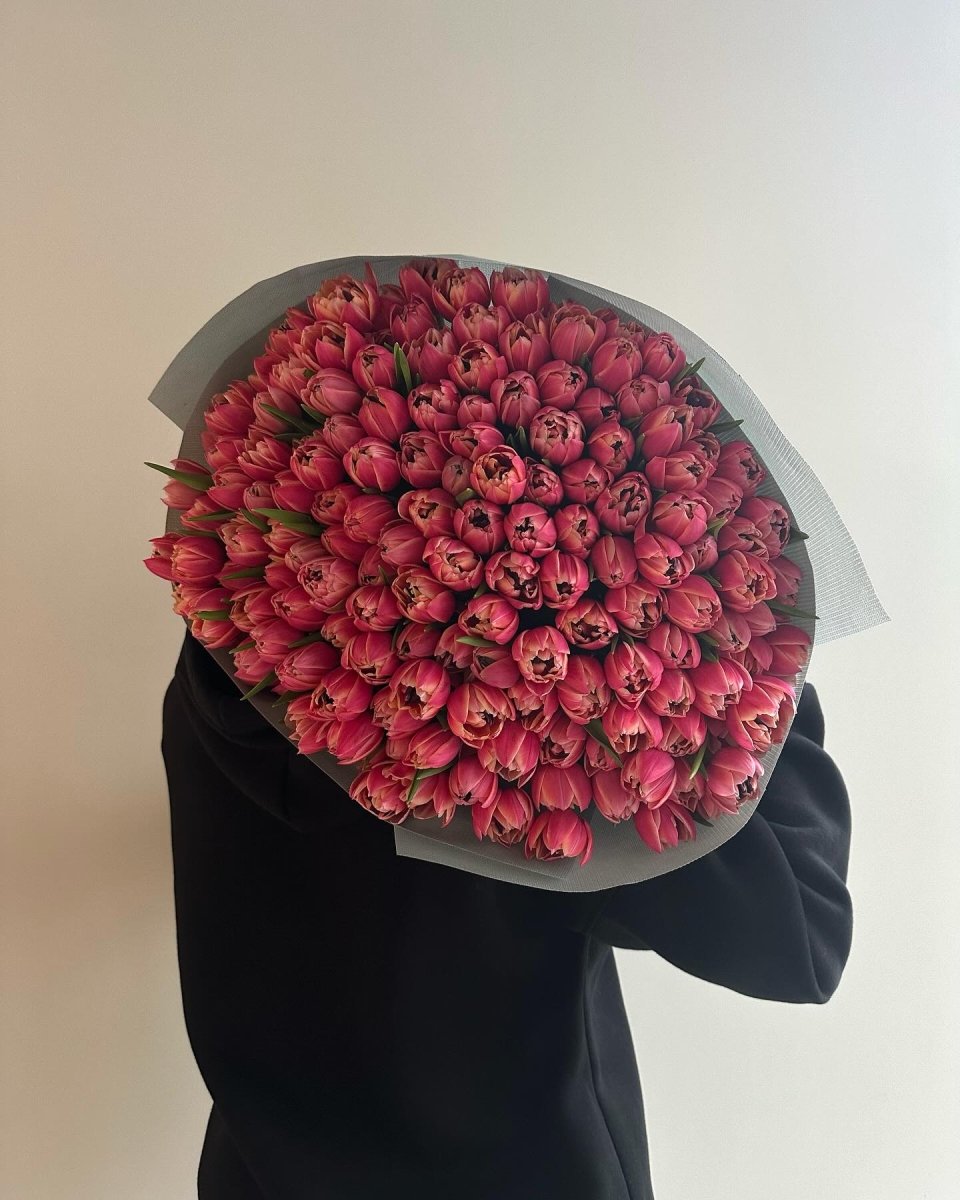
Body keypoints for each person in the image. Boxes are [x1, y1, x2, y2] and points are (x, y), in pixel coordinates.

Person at [160, 623, 853, 1200]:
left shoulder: (234, 637)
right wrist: (749, 649)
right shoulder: (530, 690)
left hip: (260, 1174)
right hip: (530, 1173)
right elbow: (794, 931)